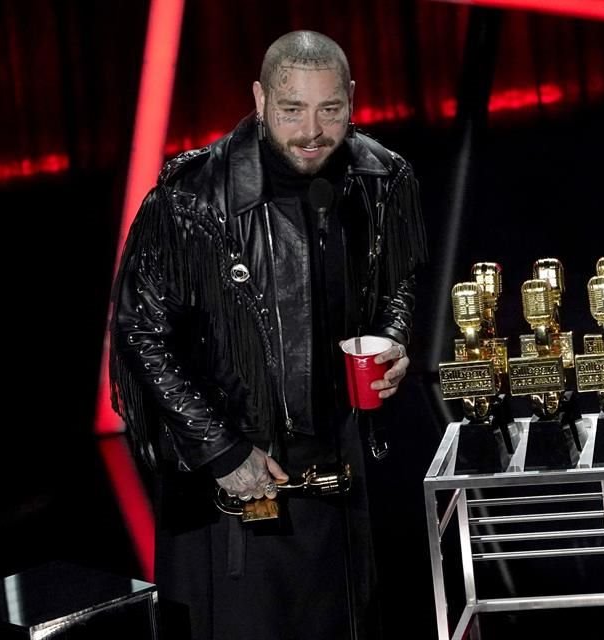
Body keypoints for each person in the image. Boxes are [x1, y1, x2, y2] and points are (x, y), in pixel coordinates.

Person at [109, 30, 427, 640]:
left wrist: (390, 336)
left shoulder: (381, 177)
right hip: (233, 479)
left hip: (342, 472)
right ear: (259, 99)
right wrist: (221, 451)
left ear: (352, 97)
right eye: (292, 110)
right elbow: (140, 331)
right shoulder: (193, 197)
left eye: (330, 109)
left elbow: (398, 279)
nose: (312, 131)